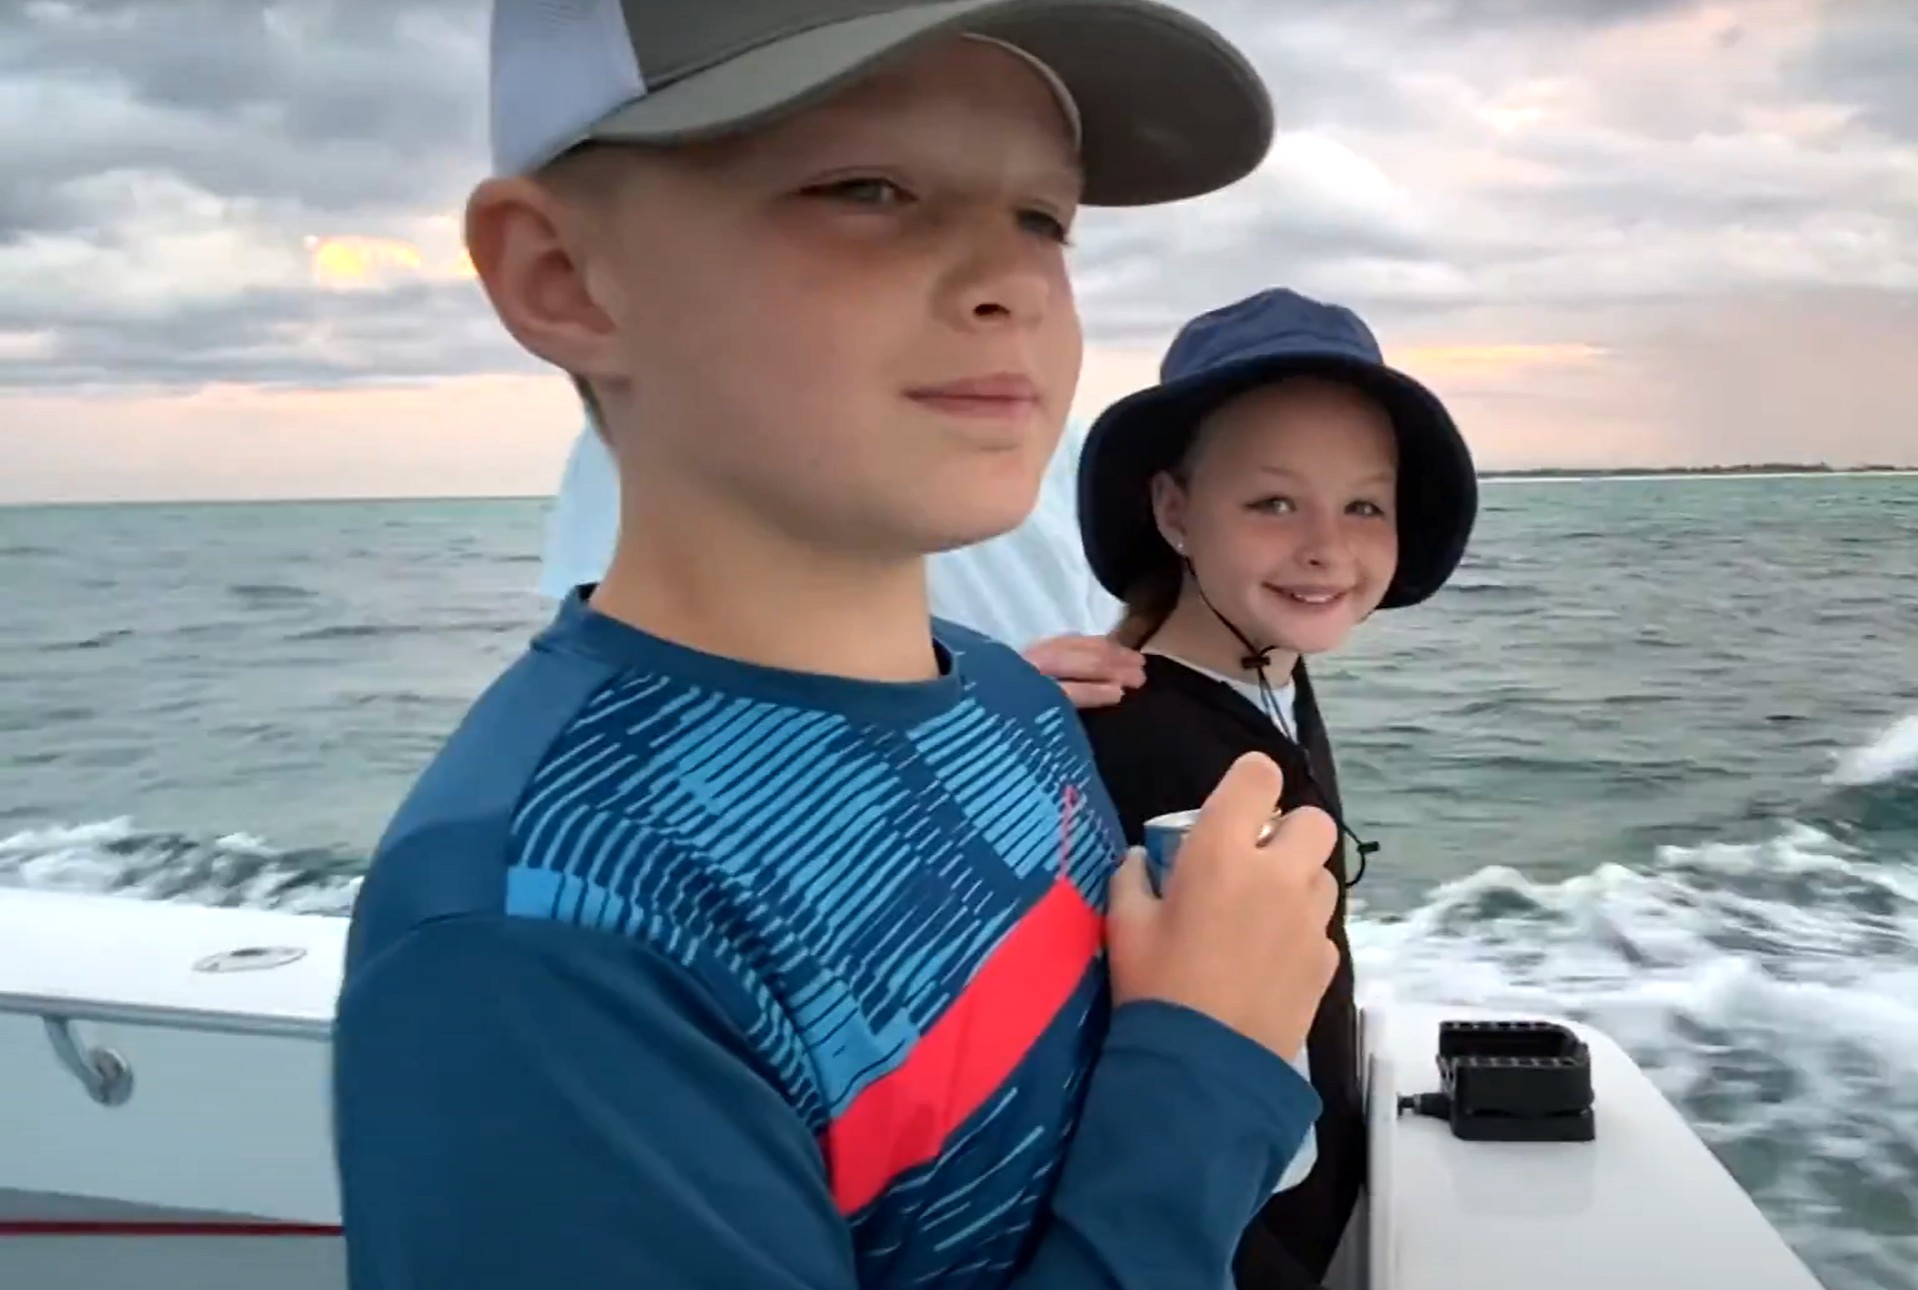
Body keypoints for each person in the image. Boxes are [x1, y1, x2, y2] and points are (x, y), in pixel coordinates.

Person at [331, 5, 1350, 1289]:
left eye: (1043, 216)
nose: (1014, 282)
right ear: (563, 277)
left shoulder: (1011, 704)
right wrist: (1210, 1059)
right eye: (868, 188)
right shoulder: (536, 945)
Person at [1071, 287, 1480, 1290]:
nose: (1326, 547)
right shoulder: (1157, 752)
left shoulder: (1268, 684)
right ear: (1175, 510)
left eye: (1363, 505)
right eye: (1273, 502)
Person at [539, 408, 1148, 705]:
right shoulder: (670, 426)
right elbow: (629, 692)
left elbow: (1109, 631)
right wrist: (970, 709)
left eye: (1041, 224)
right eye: (870, 196)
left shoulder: (1052, 434)